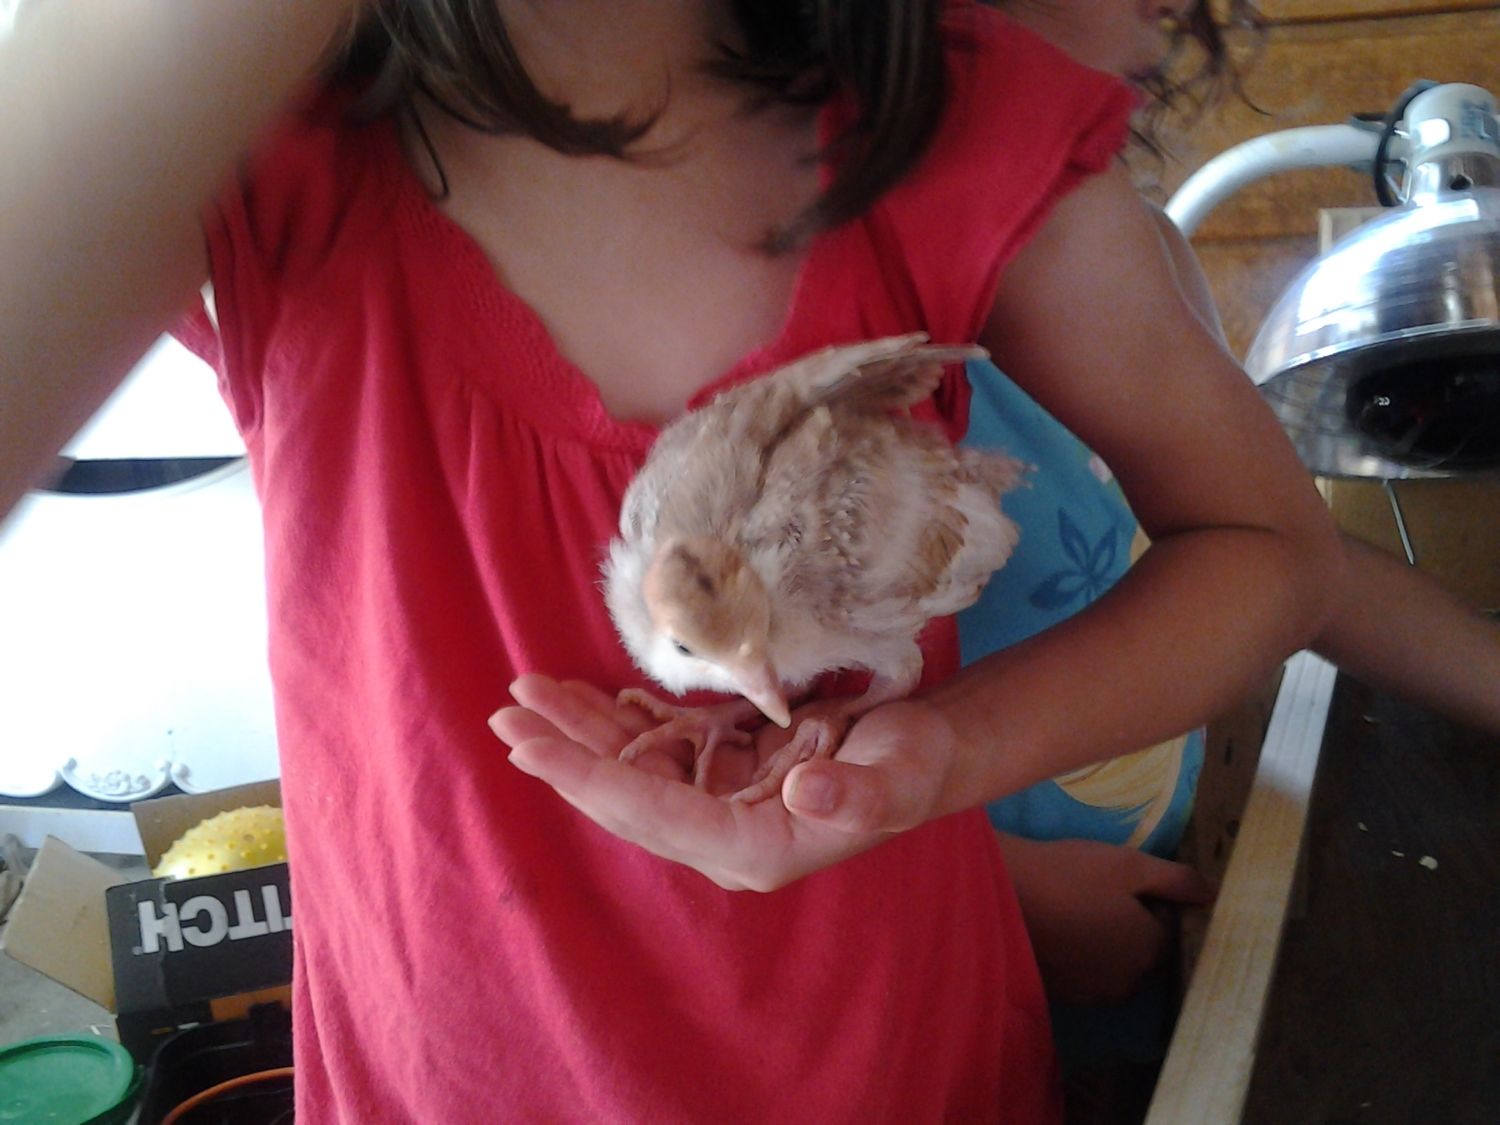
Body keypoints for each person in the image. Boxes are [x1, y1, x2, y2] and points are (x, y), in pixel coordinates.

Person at [1, 0, 1355, 1120]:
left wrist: (949, 755)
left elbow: (1265, 551)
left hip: (907, 1067)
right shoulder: (248, 155)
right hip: (443, 1080)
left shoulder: (954, 128)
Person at [966, 0, 1500, 1043]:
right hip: (975, 925)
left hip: (1157, 871)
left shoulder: (1138, 257)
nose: (1163, 24)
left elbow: (1275, 556)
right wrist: (1007, 892)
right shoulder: (831, 364)